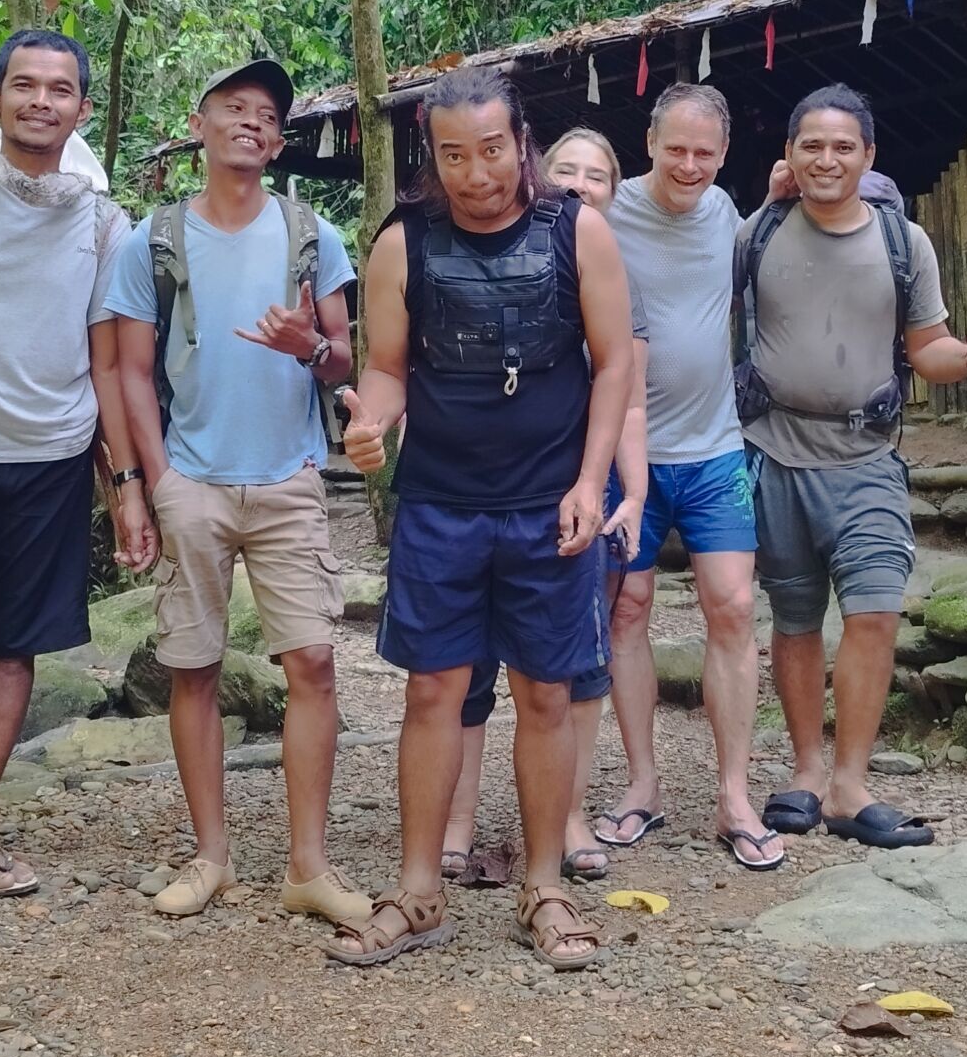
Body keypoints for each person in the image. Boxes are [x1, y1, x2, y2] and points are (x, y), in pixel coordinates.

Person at [335, 69, 634, 970]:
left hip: (549, 504)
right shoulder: (403, 243)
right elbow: (387, 367)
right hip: (440, 504)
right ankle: (417, 890)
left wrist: (592, 482)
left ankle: (543, 886)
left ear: (522, 142)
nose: (476, 174)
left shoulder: (578, 230)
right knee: (432, 692)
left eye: (493, 150)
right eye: (454, 156)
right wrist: (371, 422)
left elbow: (615, 365)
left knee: (546, 694)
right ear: (432, 156)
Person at [109, 58, 363, 922]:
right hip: (194, 479)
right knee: (193, 668)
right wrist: (155, 482)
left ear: (279, 141)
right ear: (200, 124)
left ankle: (308, 866)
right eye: (234, 107)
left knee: (314, 665)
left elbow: (345, 360)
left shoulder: (312, 235)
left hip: (288, 479)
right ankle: (210, 856)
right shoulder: (152, 241)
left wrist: (308, 346)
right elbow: (132, 371)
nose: (252, 122)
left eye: (267, 116)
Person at [739, 84, 967, 850]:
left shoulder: (902, 241)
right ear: (789, 154)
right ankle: (804, 771)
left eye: (843, 146)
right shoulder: (758, 232)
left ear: (869, 156)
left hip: (867, 456)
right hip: (774, 451)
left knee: (876, 610)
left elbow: (928, 349)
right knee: (794, 618)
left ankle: (850, 784)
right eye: (812, 145)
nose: (827, 159)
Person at [0, 30, 157, 896]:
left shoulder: (103, 220)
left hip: (51, 458)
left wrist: (126, 487)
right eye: (24, 85)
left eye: (59, 89)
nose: (41, 101)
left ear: (83, 108)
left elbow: (108, 363)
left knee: (12, 647)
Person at [440, 125, 649, 886]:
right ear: (538, 173)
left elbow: (627, 397)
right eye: (567, 170)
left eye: (598, 175)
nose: (581, 184)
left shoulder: (610, 270)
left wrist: (630, 492)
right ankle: (455, 821)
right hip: (475, 491)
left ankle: (567, 816)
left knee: (573, 668)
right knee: (462, 670)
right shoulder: (480, 256)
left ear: (614, 192)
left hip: (575, 490)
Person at [603, 82, 782, 869]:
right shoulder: (605, 214)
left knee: (734, 607)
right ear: (649, 144)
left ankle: (734, 795)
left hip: (714, 448)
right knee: (627, 608)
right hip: (625, 451)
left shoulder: (725, 215)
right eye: (674, 148)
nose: (688, 165)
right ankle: (642, 784)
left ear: (723, 154)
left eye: (704, 153)